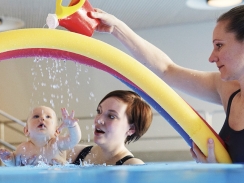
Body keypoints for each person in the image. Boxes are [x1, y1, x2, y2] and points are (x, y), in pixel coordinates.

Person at [89, 6, 244, 163]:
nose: (211, 58)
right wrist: (116, 28)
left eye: (219, 45)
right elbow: (166, 69)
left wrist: (221, 174)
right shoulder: (226, 88)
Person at [66, 90, 152, 166]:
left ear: (131, 129)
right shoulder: (74, 153)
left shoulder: (132, 165)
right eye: (99, 111)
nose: (99, 120)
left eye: (111, 116)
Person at [0, 106, 81, 166]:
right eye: (36, 116)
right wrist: (8, 159)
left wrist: (72, 126)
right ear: (26, 130)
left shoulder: (56, 143)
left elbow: (73, 140)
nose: (42, 118)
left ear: (56, 131)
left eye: (48, 117)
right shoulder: (23, 148)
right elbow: (15, 163)